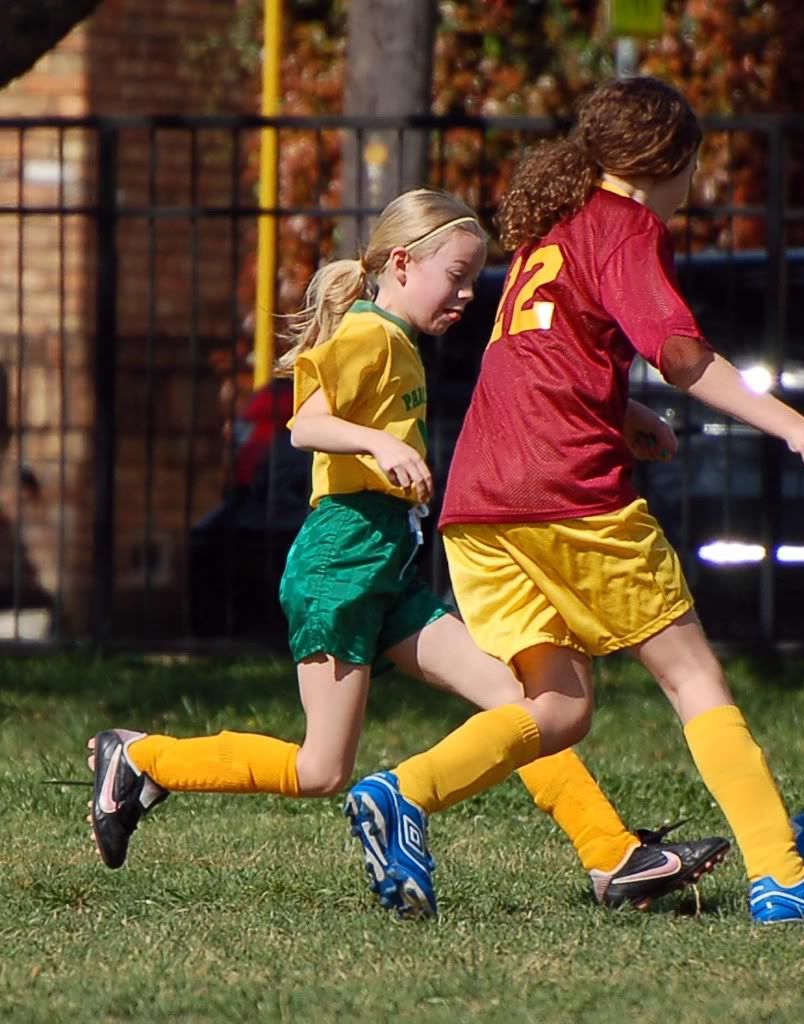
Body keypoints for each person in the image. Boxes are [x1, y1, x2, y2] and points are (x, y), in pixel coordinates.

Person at [86, 188, 728, 919]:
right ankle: (141, 760)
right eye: (453, 275)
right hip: (339, 567)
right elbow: (307, 425)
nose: (463, 294)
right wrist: (380, 442)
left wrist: (626, 413)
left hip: (383, 566)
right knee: (322, 769)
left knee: (520, 706)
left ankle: (612, 856)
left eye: (471, 279)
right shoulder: (368, 335)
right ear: (400, 263)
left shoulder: (400, 340)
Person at [435, 78, 804, 925]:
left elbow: (542, 360)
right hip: (567, 490)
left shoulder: (556, 227)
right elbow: (682, 355)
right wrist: (792, 424)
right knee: (694, 680)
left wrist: (623, 408)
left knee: (552, 709)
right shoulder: (624, 226)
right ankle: (781, 875)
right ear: (671, 162)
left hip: (480, 501)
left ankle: (401, 795)